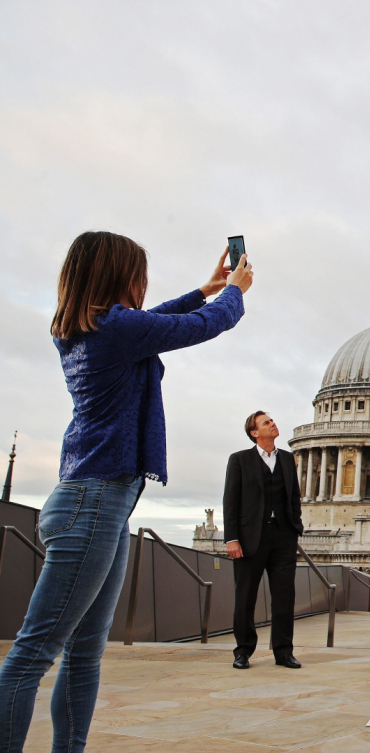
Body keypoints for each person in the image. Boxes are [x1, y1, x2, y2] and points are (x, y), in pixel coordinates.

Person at [0, 231, 250, 752]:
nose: (144, 283)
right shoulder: (114, 330)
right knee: (34, 653)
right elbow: (201, 327)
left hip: (101, 503)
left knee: (84, 652)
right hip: (93, 503)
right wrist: (234, 293)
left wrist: (203, 289)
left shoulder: (92, 327)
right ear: (120, 276)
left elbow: (155, 323)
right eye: (139, 273)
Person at [223, 412, 305, 669]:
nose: (273, 424)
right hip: (249, 538)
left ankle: (283, 652)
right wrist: (232, 539)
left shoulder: (287, 458)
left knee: (284, 597)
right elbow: (231, 501)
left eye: (271, 420)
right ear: (255, 433)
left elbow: (294, 497)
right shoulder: (239, 460)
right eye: (266, 423)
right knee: (245, 597)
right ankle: (243, 651)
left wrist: (295, 527)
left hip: (283, 536)